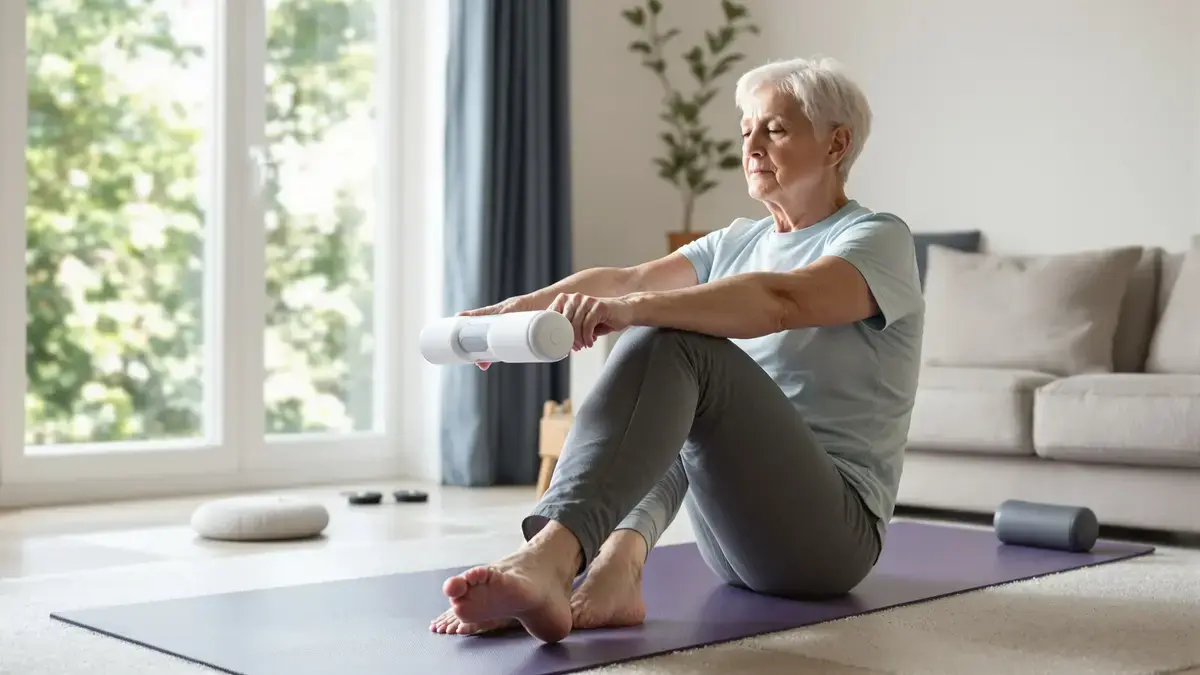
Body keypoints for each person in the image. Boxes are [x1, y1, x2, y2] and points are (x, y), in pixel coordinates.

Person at [430, 56, 924, 643]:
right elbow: (624, 279)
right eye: (746, 131)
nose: (753, 145)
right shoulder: (739, 239)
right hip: (733, 542)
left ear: (836, 143)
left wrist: (633, 310)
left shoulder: (875, 239)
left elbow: (779, 300)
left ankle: (551, 557)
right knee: (666, 346)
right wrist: (510, 313)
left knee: (678, 339)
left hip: (830, 540)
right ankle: (616, 565)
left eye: (776, 128)